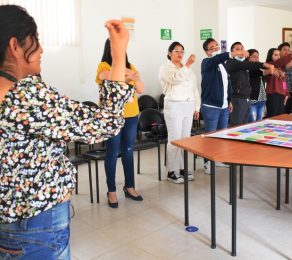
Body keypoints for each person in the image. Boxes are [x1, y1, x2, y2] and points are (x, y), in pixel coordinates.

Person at [0, 5, 133, 259]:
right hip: (36, 225)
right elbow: (105, 123)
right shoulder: (25, 97)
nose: (41, 49)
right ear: (15, 46)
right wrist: (118, 54)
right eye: (35, 40)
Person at [96, 40, 144, 207]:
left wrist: (131, 76)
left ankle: (129, 187)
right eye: (114, 47)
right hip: (112, 117)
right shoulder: (103, 65)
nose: (117, 49)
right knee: (112, 152)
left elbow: (140, 88)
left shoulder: (132, 65)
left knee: (128, 151)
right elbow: (106, 76)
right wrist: (129, 75)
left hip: (131, 114)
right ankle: (111, 191)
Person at [159, 41, 200, 183]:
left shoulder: (187, 69)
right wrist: (187, 65)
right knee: (175, 138)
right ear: (170, 53)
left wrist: (197, 107)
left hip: (188, 105)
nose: (180, 54)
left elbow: (194, 88)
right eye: (176, 51)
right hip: (174, 106)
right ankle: (172, 171)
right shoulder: (165, 68)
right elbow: (175, 80)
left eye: (182, 51)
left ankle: (183, 168)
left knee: (185, 138)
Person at [200, 38, 238, 174]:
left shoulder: (222, 64)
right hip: (211, 106)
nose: (216, 48)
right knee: (210, 136)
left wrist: (229, 100)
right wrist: (232, 53)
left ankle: (219, 159)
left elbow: (226, 84)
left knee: (222, 135)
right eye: (213, 47)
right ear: (207, 52)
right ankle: (207, 163)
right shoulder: (207, 62)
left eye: (217, 46)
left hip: (223, 106)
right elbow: (218, 58)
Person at [225, 42, 274, 126]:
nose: (240, 51)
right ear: (232, 52)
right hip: (237, 98)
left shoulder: (243, 63)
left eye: (242, 49)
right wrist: (264, 64)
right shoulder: (231, 63)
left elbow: (250, 65)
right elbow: (248, 65)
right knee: (236, 125)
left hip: (247, 98)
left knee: (245, 125)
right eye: (237, 49)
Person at [265, 48, 292, 117]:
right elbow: (279, 62)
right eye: (276, 55)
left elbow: (284, 82)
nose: (278, 57)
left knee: (280, 116)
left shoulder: (281, 68)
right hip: (273, 94)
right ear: (270, 56)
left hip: (281, 95)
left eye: (279, 55)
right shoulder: (268, 65)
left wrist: (286, 93)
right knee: (272, 116)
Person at [278, 42, 292, 114]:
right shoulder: (279, 60)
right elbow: (286, 67)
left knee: (288, 111)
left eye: (288, 50)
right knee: (283, 111)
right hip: (284, 90)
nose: (287, 52)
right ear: (279, 51)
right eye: (284, 50)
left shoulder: (291, 61)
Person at [247, 49, 267, 121]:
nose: (256, 59)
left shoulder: (260, 67)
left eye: (257, 57)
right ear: (248, 58)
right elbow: (262, 72)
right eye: (254, 57)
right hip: (253, 99)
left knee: (259, 122)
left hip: (262, 99)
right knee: (252, 122)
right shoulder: (248, 68)